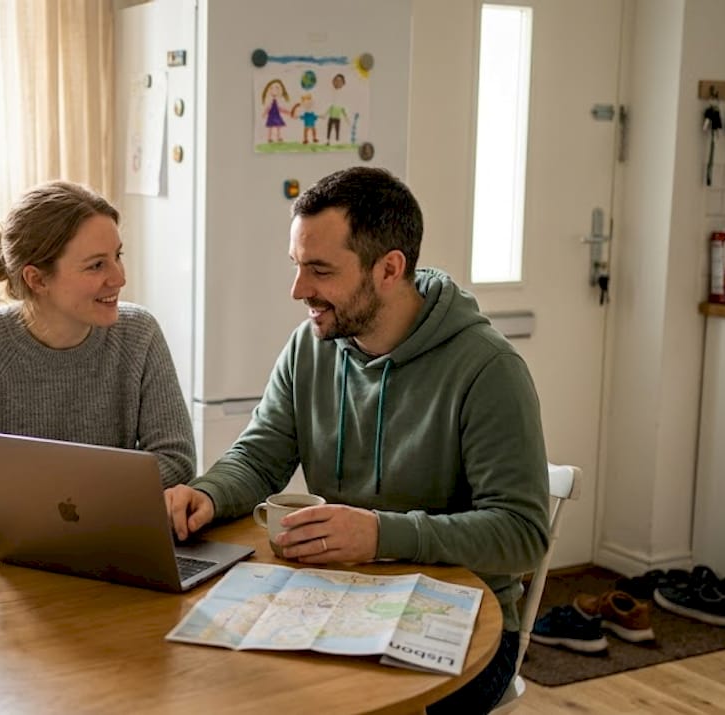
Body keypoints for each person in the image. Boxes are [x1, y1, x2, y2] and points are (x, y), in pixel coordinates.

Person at [164, 167, 549, 714]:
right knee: (220, 686)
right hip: (337, 600)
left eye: (320, 270)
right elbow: (259, 456)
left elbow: (521, 533)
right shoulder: (311, 347)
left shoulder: (488, 370)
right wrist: (206, 494)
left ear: (390, 268)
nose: (300, 291)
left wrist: (379, 535)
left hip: (467, 623)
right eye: (297, 267)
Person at [0, 181, 196, 517]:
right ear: (37, 280)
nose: (119, 278)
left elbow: (176, 460)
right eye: (96, 265)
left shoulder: (138, 334)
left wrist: (72, 503)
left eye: (117, 256)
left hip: (107, 549)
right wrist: (27, 510)